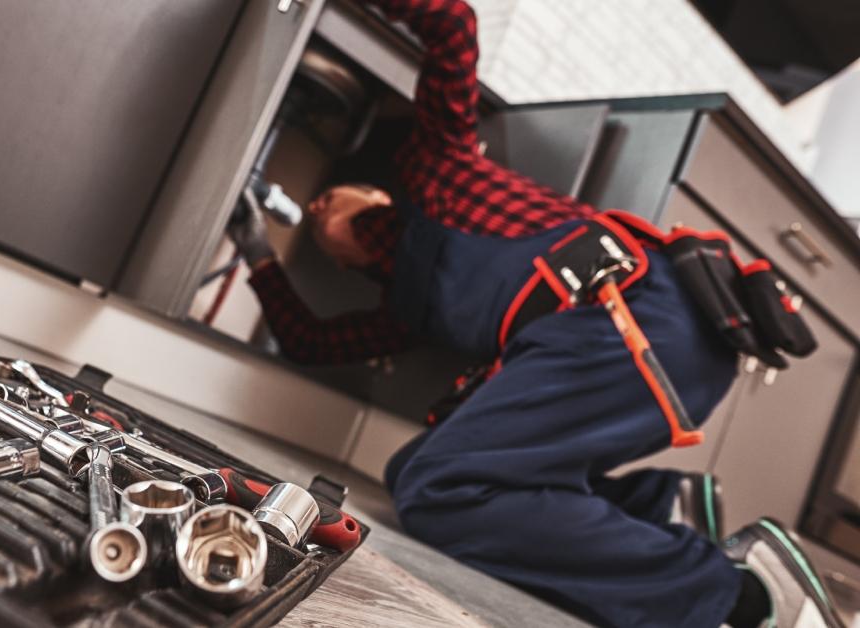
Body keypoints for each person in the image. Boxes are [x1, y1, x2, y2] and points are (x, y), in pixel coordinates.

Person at [227, 1, 845, 626]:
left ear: (379, 191)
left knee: (442, 488)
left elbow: (452, 22)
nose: (319, 206)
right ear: (341, 263)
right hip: (633, 342)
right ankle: (656, 508)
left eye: (332, 194)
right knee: (416, 467)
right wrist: (257, 253)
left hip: (634, 315)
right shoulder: (403, 312)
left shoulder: (438, 168)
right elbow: (306, 340)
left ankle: (745, 598)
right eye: (314, 217)